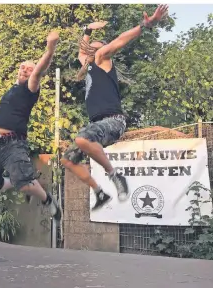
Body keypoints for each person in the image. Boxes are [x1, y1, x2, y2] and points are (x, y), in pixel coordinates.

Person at [61, 5, 169, 210]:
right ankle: (100, 194)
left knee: (82, 138)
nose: (91, 47)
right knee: (68, 161)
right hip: (98, 124)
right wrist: (87, 30)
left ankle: (115, 176)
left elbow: (120, 40)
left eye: (96, 45)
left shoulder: (102, 58)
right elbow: (81, 53)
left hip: (113, 121)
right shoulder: (89, 65)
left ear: (102, 49)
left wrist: (145, 25)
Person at [0, 31, 62, 222]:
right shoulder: (12, 90)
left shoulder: (30, 89)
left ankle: (47, 199)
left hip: (13, 144)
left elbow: (40, 70)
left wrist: (50, 49)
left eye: (29, 69)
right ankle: (17, 183)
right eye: (22, 67)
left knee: (24, 183)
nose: (25, 70)